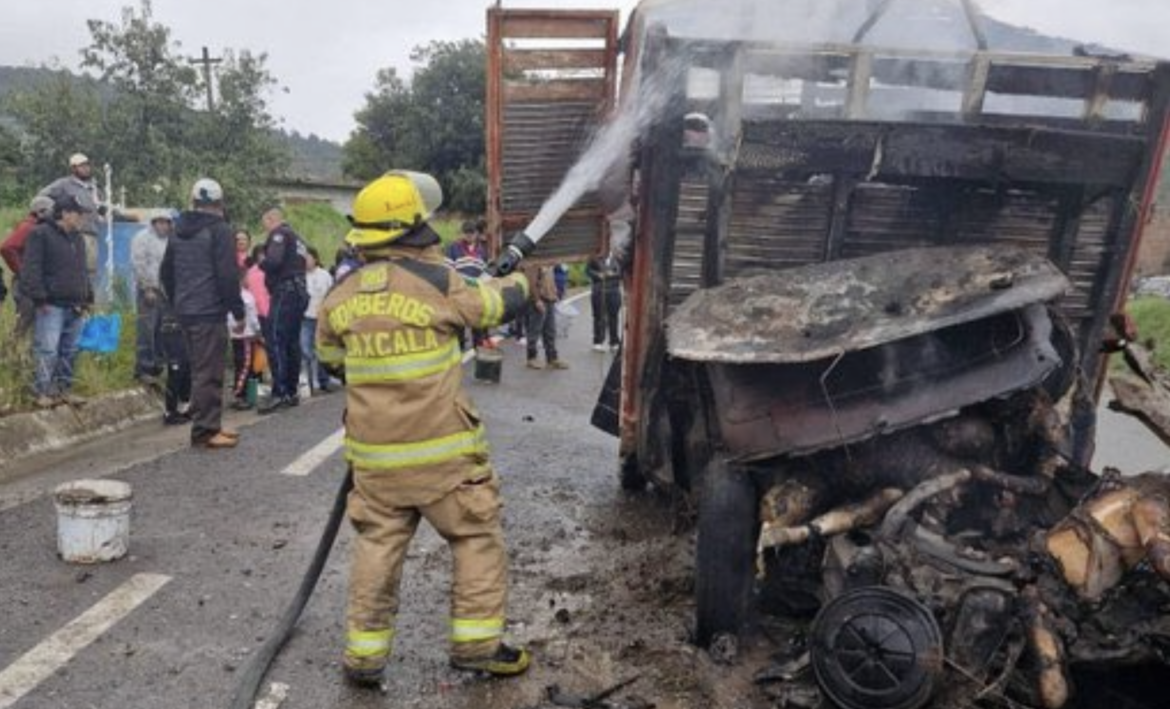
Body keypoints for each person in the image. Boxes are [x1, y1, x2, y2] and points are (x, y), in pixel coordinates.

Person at [316, 171, 532, 687]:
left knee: (377, 546)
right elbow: (494, 306)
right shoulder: (439, 282)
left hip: (374, 463)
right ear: (412, 228)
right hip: (445, 462)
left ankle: (364, 656)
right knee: (476, 536)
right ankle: (477, 647)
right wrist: (521, 279)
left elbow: (330, 360)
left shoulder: (341, 294)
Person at [160, 178, 245, 449]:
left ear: (193, 202)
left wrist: (178, 302)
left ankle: (209, 425)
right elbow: (227, 275)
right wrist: (238, 310)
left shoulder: (177, 230)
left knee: (199, 369)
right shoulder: (220, 230)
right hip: (209, 311)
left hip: (185, 310)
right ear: (219, 204)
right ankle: (205, 431)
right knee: (209, 372)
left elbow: (166, 273)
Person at [20, 193, 93, 408]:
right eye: (78, 214)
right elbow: (31, 269)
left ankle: (64, 390)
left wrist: (87, 295)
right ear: (65, 213)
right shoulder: (40, 234)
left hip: (75, 303)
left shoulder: (77, 238)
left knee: (70, 350)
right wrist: (40, 297)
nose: (81, 218)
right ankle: (41, 392)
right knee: (47, 349)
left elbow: (82, 270)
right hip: (50, 304)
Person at [257, 206, 309, 413]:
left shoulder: (279, 234)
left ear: (271, 219)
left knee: (276, 340)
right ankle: (291, 390)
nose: (265, 229)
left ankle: (279, 392)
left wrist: (262, 261)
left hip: (285, 291)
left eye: (265, 224)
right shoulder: (298, 239)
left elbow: (274, 262)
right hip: (299, 291)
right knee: (291, 342)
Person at [37, 154, 106, 286]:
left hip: (92, 233)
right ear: (74, 168)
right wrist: (56, 212)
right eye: (82, 166)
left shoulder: (94, 187)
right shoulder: (64, 184)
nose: (86, 169)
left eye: (87, 165)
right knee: (74, 268)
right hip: (71, 233)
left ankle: (88, 299)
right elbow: (42, 197)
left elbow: (101, 207)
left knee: (91, 270)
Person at [130, 210, 175, 382]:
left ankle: (158, 366)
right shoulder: (142, 238)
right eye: (160, 222)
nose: (163, 226)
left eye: (166, 222)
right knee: (146, 329)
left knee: (162, 330)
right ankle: (143, 369)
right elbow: (138, 263)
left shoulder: (170, 240)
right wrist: (147, 287)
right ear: (153, 222)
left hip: (166, 291)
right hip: (148, 290)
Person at [3, 195, 56, 337]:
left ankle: (22, 354)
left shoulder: (36, 227)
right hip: (25, 284)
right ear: (41, 211)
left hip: (30, 282)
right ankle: (12, 354)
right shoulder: (29, 227)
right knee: (24, 324)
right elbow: (7, 247)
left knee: (31, 323)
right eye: (51, 210)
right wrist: (22, 270)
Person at [445, 219, 489, 349]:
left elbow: (485, 271)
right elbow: (448, 269)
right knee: (459, 322)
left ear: (476, 234)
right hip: (459, 291)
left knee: (477, 323)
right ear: (462, 234)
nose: (469, 236)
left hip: (476, 292)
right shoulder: (453, 248)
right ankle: (460, 347)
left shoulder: (482, 250)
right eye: (466, 233)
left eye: (471, 233)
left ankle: (479, 346)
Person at [519, 263, 568, 370]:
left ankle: (552, 358)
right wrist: (537, 300)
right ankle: (531, 358)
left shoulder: (549, 262)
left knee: (550, 331)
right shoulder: (535, 262)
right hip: (539, 300)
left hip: (549, 299)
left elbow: (551, 279)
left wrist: (555, 293)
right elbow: (531, 282)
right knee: (534, 331)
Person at [301, 246, 334, 394]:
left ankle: (324, 380)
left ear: (315, 258)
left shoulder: (325, 275)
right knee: (306, 350)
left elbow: (332, 294)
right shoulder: (300, 276)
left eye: (309, 257)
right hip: (305, 317)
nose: (306, 261)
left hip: (321, 317)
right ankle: (309, 382)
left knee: (321, 349)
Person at [229, 267, 261, 410]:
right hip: (247, 335)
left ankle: (240, 393)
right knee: (245, 365)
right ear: (242, 280)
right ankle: (239, 394)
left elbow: (228, 318)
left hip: (235, 336)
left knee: (239, 364)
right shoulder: (247, 297)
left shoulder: (230, 297)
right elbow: (253, 318)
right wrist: (257, 330)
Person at [586, 252, 623, 351]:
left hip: (614, 290)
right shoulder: (595, 257)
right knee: (598, 316)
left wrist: (612, 274)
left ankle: (614, 342)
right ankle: (598, 341)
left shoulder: (618, 258)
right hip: (599, 290)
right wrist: (598, 275)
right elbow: (588, 271)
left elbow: (622, 273)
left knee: (613, 317)